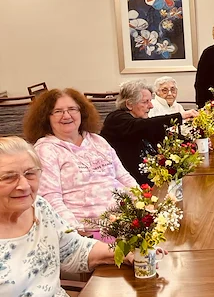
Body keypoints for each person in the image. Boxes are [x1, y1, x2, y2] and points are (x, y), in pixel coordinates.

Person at [0, 136, 131, 297]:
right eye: (9, 177)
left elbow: (73, 250)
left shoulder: (39, 207)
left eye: (30, 174)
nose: (24, 186)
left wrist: (125, 252)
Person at [23, 88, 137, 231]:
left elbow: (123, 176)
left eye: (72, 109)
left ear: (81, 112)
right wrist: (76, 230)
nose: (66, 115)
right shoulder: (46, 149)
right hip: (89, 231)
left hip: (127, 220)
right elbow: (49, 198)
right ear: (46, 117)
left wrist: (142, 201)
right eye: (58, 111)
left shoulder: (97, 140)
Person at [101, 81, 195, 183]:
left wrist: (191, 144)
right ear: (129, 104)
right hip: (132, 184)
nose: (151, 106)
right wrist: (180, 116)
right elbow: (144, 126)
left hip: (155, 178)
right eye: (145, 102)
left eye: (150, 101)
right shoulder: (116, 119)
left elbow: (163, 134)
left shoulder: (140, 120)